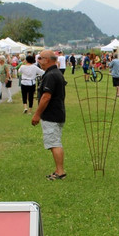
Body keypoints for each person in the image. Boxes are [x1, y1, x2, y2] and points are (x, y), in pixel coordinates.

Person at [31, 50, 67, 180]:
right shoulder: (55, 72)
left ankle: (60, 171)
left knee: (54, 143)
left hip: (52, 114)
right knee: (54, 141)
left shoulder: (51, 75)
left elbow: (46, 97)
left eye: (40, 58)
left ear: (47, 60)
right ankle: (58, 169)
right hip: (57, 112)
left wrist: (37, 114)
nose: (39, 61)